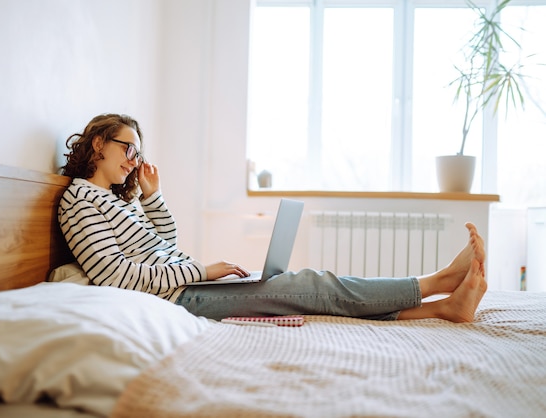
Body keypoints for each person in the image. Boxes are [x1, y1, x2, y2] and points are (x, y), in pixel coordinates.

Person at [59, 113, 488, 322]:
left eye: (139, 153)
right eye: (127, 149)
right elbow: (115, 277)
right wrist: (202, 270)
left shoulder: (116, 200)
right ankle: (435, 283)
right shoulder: (79, 200)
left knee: (304, 294)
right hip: (180, 297)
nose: (135, 161)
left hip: (188, 284)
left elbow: (164, 243)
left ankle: (444, 309)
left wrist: (152, 198)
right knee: (307, 286)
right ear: (98, 144)